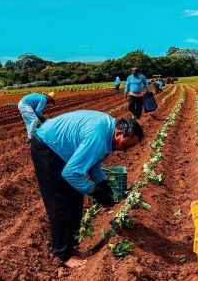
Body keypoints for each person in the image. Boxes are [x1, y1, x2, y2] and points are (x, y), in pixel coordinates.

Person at [30, 110, 144, 268]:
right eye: (125, 145)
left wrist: (102, 183)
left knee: (76, 195)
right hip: (48, 147)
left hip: (62, 148)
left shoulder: (109, 129)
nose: (124, 150)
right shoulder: (98, 137)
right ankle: (63, 254)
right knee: (60, 202)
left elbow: (93, 160)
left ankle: (71, 245)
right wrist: (94, 192)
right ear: (119, 132)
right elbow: (70, 173)